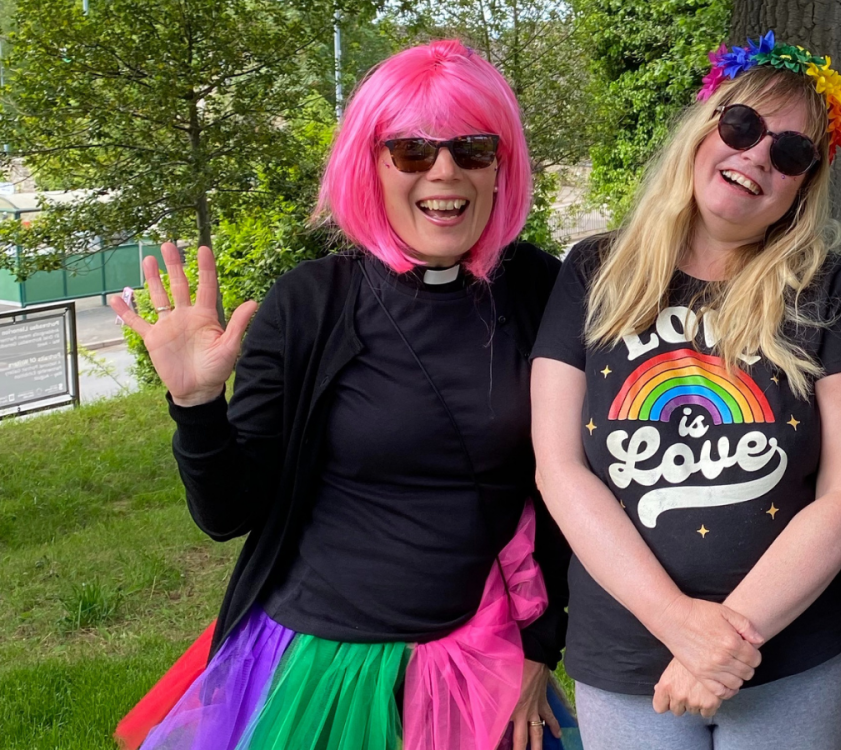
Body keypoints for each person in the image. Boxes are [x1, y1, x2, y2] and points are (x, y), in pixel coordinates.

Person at [110, 40, 570, 750]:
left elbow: (574, 485)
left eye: (473, 148)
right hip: (322, 665)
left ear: (501, 165)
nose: (444, 171)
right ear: (372, 166)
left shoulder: (544, 291)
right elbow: (228, 512)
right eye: (412, 151)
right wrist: (197, 405)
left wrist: (544, 643)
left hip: (483, 658)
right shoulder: (311, 305)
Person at [531, 31, 841, 750]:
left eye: (789, 152)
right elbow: (559, 467)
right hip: (628, 657)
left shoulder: (829, 289)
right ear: (704, 126)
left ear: (801, 188)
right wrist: (680, 625)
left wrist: (730, 636)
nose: (756, 155)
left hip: (795, 661)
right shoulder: (592, 271)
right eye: (743, 125)